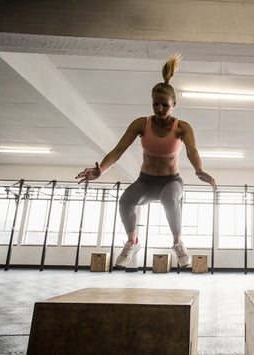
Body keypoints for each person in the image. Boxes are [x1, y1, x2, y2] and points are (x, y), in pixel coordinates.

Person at [76, 54, 217, 269]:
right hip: (146, 182)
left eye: (165, 105)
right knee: (125, 201)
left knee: (169, 199)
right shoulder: (141, 124)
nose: (160, 109)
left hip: (171, 181)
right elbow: (118, 150)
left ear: (174, 104)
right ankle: (132, 242)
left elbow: (192, 150)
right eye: (155, 104)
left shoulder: (182, 127)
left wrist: (199, 169)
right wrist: (101, 170)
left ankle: (178, 243)